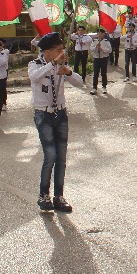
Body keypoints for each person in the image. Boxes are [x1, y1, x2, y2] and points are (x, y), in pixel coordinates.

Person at [30, 32, 83, 212]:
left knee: (61, 156)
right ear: (47, 52)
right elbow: (34, 77)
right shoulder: (35, 65)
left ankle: (59, 196)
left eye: (62, 50)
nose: (62, 53)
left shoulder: (61, 66)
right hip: (43, 115)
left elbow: (80, 83)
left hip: (60, 114)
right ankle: (43, 194)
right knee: (50, 154)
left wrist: (67, 71)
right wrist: (53, 64)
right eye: (58, 50)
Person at [90, 28, 113, 95]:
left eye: (101, 33)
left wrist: (103, 49)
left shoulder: (106, 41)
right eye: (98, 33)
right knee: (96, 73)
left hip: (103, 58)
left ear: (103, 34)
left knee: (103, 73)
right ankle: (94, 87)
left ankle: (104, 86)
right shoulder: (94, 41)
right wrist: (96, 47)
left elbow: (110, 50)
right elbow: (91, 49)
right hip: (96, 58)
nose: (99, 35)